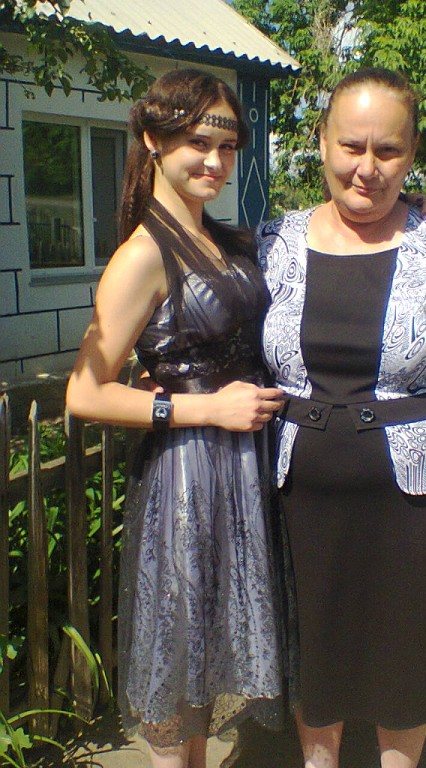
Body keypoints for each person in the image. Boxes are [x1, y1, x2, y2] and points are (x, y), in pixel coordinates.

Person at [257, 67, 426, 768]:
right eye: (351, 146)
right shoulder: (274, 238)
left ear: (412, 152)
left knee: (405, 662)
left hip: (417, 505)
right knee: (315, 657)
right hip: (299, 501)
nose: (367, 168)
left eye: (388, 150)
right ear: (322, 142)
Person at [66, 68, 287, 768]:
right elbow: (85, 393)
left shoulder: (223, 237)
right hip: (187, 481)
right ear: (153, 141)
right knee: (182, 658)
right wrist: (208, 407)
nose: (216, 161)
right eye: (198, 142)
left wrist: (412, 204)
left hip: (242, 472)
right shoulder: (142, 256)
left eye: (228, 147)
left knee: (211, 659)